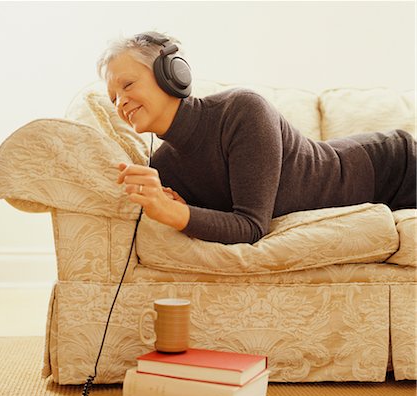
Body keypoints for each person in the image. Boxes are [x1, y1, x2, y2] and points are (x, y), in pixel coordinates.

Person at [97, 31, 417, 245]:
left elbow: (251, 226)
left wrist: (172, 213)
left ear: (172, 75)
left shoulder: (241, 111)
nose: (120, 102)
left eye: (127, 85)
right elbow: (226, 221)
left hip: (394, 167)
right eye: (112, 97)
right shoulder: (163, 166)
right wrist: (179, 209)